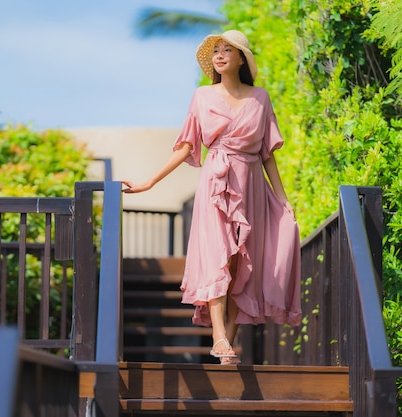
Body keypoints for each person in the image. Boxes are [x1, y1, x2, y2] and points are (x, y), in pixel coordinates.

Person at [122, 29, 301, 365]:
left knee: (242, 265)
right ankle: (218, 336)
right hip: (215, 185)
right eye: (215, 51)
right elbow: (187, 147)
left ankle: (228, 344)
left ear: (241, 58)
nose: (219, 56)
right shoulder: (202, 98)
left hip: (251, 187)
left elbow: (267, 155)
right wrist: (149, 182)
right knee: (218, 258)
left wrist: (283, 198)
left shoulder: (259, 97)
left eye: (226, 50)